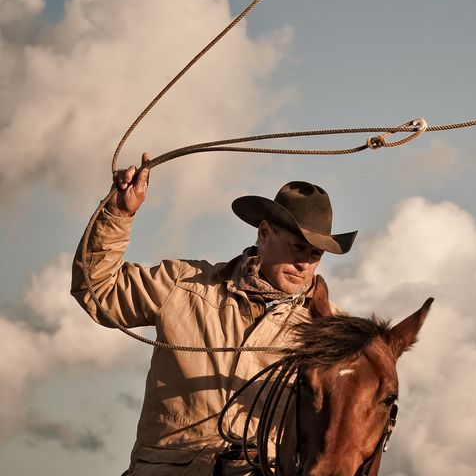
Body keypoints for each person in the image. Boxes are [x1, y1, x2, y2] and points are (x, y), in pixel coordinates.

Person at [72, 153, 357, 475]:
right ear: (264, 234)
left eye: (315, 253)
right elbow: (97, 291)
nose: (305, 264)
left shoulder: (330, 334)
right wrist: (118, 214)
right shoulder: (183, 285)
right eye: (297, 247)